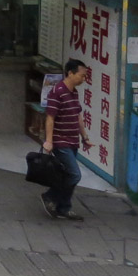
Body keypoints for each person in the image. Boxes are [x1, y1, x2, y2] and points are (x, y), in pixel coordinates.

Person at [41, 58, 92, 222]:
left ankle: (63, 208)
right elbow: (50, 118)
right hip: (61, 141)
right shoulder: (57, 91)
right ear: (70, 73)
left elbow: (78, 116)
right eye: (82, 75)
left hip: (72, 141)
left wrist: (85, 137)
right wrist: (49, 141)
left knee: (66, 175)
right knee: (74, 175)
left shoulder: (73, 92)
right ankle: (49, 196)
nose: (84, 79)